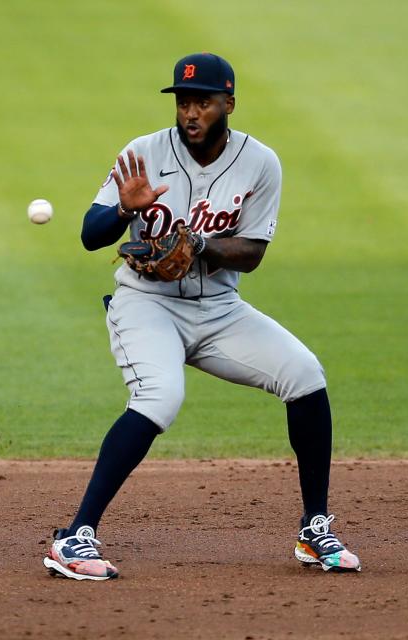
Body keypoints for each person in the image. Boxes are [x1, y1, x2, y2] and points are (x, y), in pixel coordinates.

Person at [42, 53, 362, 581]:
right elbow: (89, 234)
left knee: (305, 375)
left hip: (219, 310)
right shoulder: (143, 152)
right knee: (159, 397)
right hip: (147, 304)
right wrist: (124, 210)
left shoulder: (261, 162)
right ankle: (74, 539)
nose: (191, 112)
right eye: (184, 101)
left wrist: (200, 245)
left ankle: (314, 528)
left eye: (203, 102)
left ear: (228, 104)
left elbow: (253, 253)